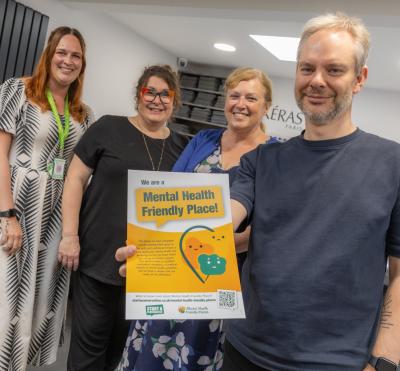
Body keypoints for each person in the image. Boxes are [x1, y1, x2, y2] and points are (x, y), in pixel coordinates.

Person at [117, 12, 400, 371]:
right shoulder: (263, 159)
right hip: (243, 351)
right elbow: (223, 221)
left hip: (335, 362)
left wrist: (383, 363)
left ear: (359, 78)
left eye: (334, 70)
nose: (317, 80)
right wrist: (155, 258)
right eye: (307, 68)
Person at [0, 27, 93, 371]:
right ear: (48, 55)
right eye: (62, 53)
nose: (68, 61)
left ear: (83, 65)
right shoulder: (17, 91)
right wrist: (8, 214)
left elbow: (78, 172)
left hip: (53, 216)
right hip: (12, 204)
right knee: (1, 294)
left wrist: (71, 232)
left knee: (35, 299)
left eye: (76, 56)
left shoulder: (83, 113)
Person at [116, 67, 279, 371]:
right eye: (234, 95)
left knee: (198, 352)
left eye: (251, 98)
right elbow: (169, 196)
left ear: (266, 106)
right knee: (153, 347)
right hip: (175, 273)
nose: (240, 103)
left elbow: (280, 222)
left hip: (223, 281)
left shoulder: (276, 153)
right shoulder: (204, 139)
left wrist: (241, 241)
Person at [59, 65, 189, 371]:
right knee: (87, 350)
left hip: (147, 271)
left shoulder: (182, 147)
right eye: (150, 92)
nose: (157, 100)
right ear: (138, 95)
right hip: (96, 257)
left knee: (121, 350)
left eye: (165, 94)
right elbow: (75, 179)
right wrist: (69, 235)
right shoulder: (108, 128)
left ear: (175, 100)